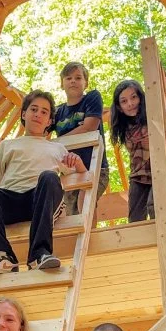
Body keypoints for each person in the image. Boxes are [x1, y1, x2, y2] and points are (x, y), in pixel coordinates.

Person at [0, 90, 86, 275]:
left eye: (44, 112)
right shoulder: (7, 145)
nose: (38, 114)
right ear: (24, 114)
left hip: (40, 201)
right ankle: (1, 257)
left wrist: (77, 162)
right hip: (9, 202)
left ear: (49, 121)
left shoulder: (57, 148)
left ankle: (40, 254)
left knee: (49, 176)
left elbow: (82, 176)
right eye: (34, 109)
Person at [109, 78, 166, 223]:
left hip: (158, 169)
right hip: (137, 176)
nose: (130, 103)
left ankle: (162, 239)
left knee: (155, 206)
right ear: (119, 107)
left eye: (134, 97)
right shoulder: (124, 127)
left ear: (141, 97)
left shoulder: (152, 115)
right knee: (135, 217)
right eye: (124, 101)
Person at [54, 61, 109, 216]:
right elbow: (41, 135)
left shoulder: (92, 98)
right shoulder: (57, 112)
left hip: (95, 167)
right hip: (69, 171)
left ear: (85, 83)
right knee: (70, 214)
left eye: (78, 78)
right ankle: (77, 241)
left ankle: (92, 240)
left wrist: (58, 142)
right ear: (62, 83)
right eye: (68, 78)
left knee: (85, 203)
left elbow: (90, 126)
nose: (73, 81)